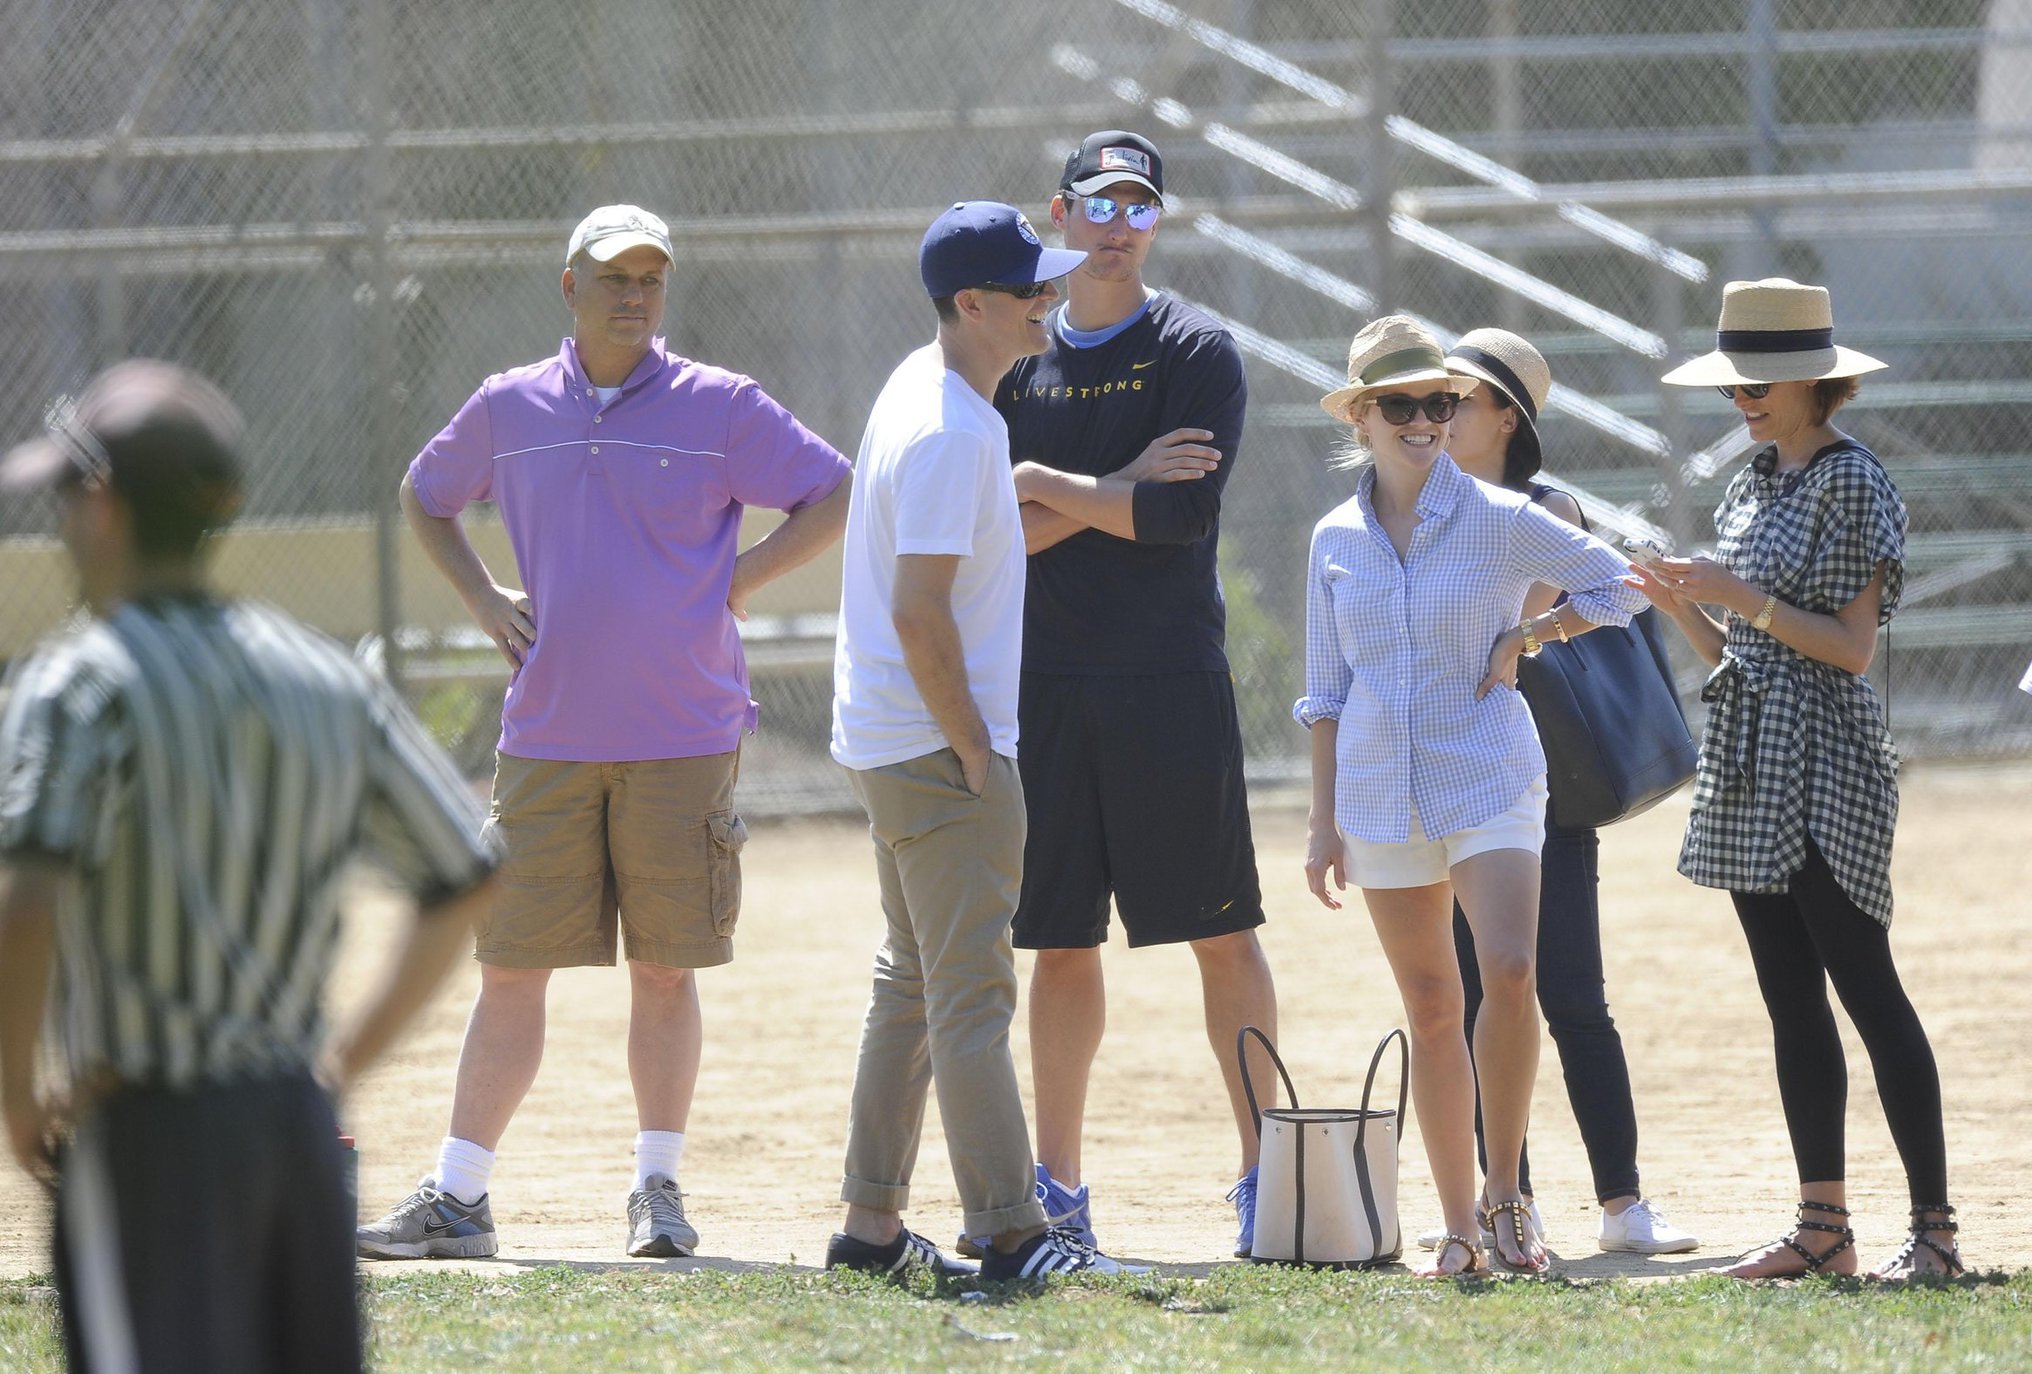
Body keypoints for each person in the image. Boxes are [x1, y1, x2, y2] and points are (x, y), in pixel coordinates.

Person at [357, 204, 852, 1261]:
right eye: (615, 277)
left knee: (666, 971)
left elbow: (831, 489)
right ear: (569, 286)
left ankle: (658, 1193)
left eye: (652, 279)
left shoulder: (720, 405)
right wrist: (488, 599)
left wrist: (738, 579)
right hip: (546, 739)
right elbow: (424, 493)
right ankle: (459, 1198)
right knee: (509, 970)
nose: (635, 295)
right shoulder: (509, 406)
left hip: (685, 734)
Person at [0, 361, 497, 1374]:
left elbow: (29, 900)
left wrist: (18, 1094)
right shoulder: (316, 674)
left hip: (145, 1134)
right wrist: (335, 1069)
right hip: (295, 1131)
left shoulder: (81, 679)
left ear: (100, 506)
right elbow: (464, 875)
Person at [826, 201, 1141, 1281]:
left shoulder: (929, 392)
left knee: (910, 987)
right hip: (934, 751)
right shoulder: (955, 428)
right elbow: (919, 611)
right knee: (967, 1000)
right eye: (1029, 290)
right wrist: (972, 751)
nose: (1049, 300)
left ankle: (869, 1232)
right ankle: (1013, 1234)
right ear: (971, 305)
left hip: (890, 743)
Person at [1296, 316, 1645, 1277]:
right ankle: (1457, 1227)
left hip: (1490, 772)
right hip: (1376, 791)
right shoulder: (1332, 537)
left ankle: (1508, 1200)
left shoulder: (1498, 515)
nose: (1424, 420)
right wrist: (1321, 824)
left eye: (1439, 403)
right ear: (1362, 417)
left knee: (1513, 971)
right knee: (1432, 1007)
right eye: (1401, 404)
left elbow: (1629, 585)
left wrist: (1534, 635)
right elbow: (1325, 693)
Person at [992, 129, 1279, 1259]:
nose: (1118, 226)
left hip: (1167, 681)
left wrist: (1044, 487)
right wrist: (1110, 486)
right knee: (1059, 946)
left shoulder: (1196, 347)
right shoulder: (1016, 355)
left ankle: (1269, 1173)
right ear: (1056, 216)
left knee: (1221, 937)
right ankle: (1057, 1187)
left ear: (1157, 222)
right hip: (1044, 686)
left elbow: (1178, 517)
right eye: (1097, 205)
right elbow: (992, 536)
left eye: (1138, 206)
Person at [1641, 278, 1960, 1280]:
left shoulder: (1852, 480)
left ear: (1813, 384)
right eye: (1735, 381)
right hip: (1749, 757)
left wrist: (1736, 594)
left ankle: (1936, 1237)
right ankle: (1821, 1232)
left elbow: (1852, 649)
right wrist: (1678, 600)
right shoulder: (1753, 480)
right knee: (1790, 1000)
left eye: (1761, 381)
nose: (1742, 397)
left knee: (1867, 990)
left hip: (1826, 758)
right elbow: (1737, 650)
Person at [1423, 327, 1697, 1258]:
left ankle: (1623, 1206)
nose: (1441, 414)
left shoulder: (1547, 505)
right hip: (1452, 784)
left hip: (1544, 788)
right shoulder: (1414, 503)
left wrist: (1530, 635)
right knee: (1471, 999)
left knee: (1568, 991)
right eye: (1435, 398)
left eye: (1460, 399)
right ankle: (1510, 1199)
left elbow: (1599, 590)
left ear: (1510, 415)